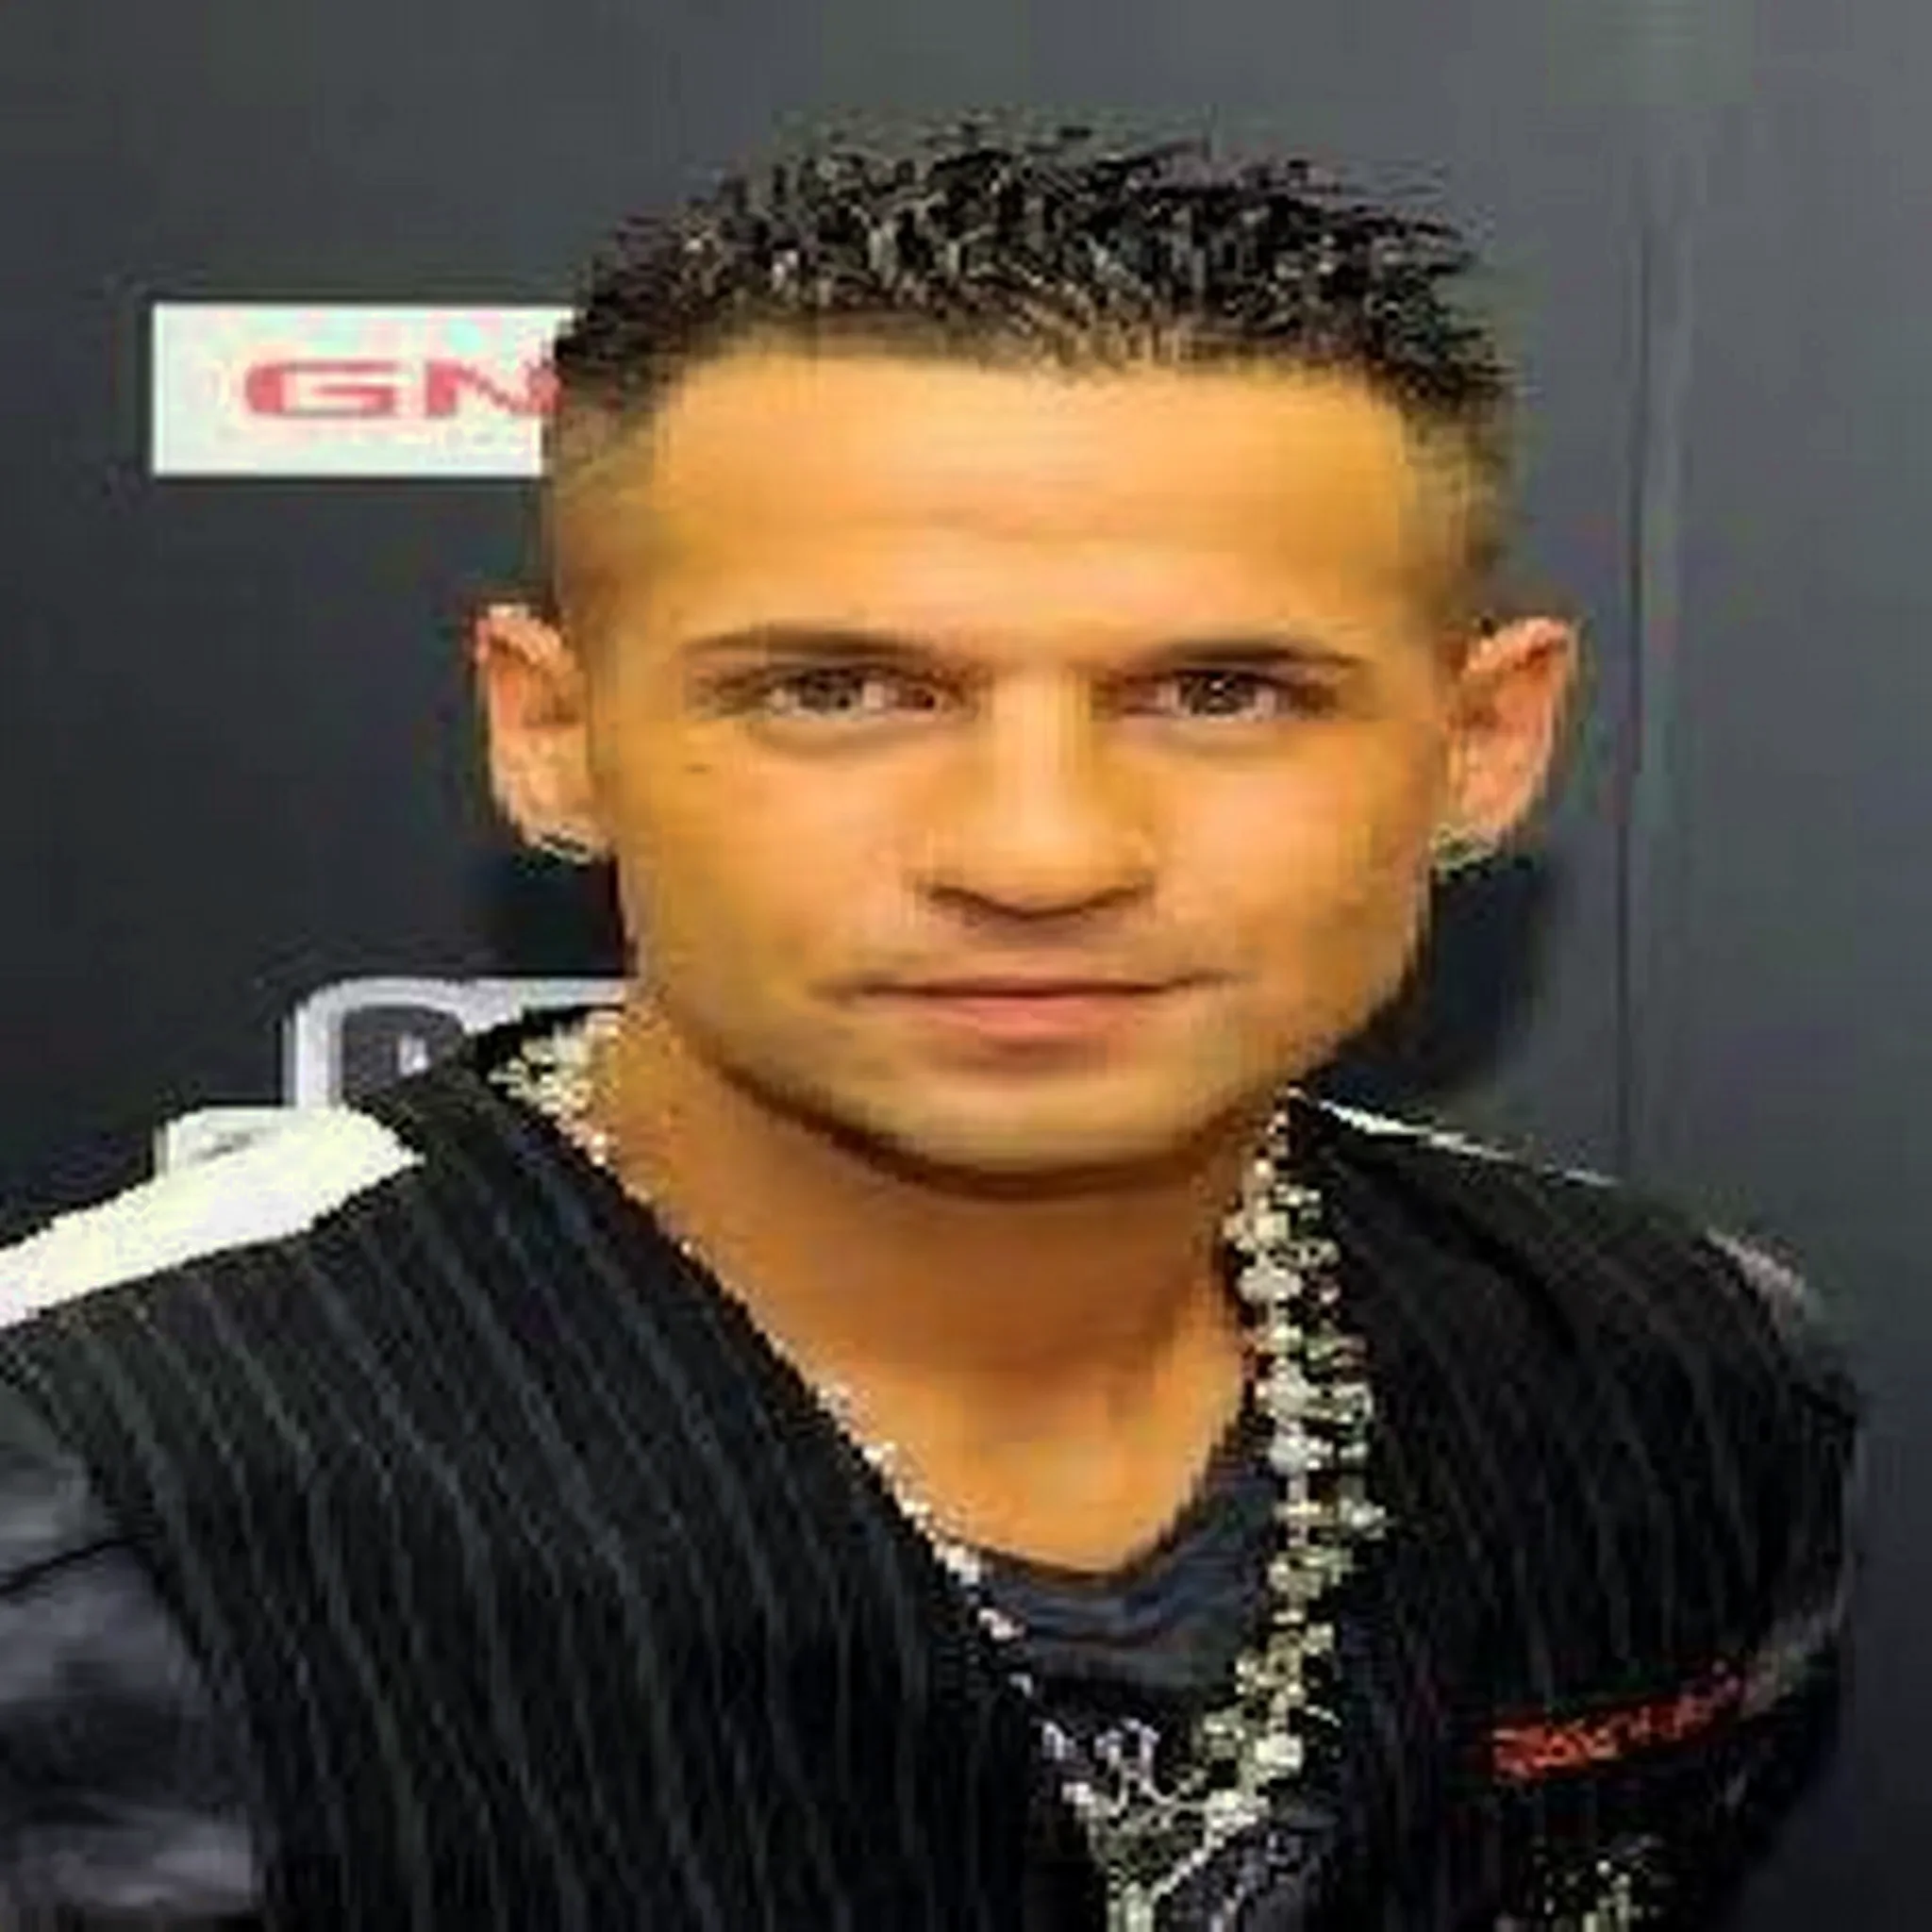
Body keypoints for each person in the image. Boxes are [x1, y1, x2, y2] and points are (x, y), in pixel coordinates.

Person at [0, 126, 1861, 1930]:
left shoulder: (1673, 1377)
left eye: (1222, 692)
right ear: (550, 732)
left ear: (1484, 742)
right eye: (837, 691)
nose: (1038, 853)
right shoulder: (90, 1476)